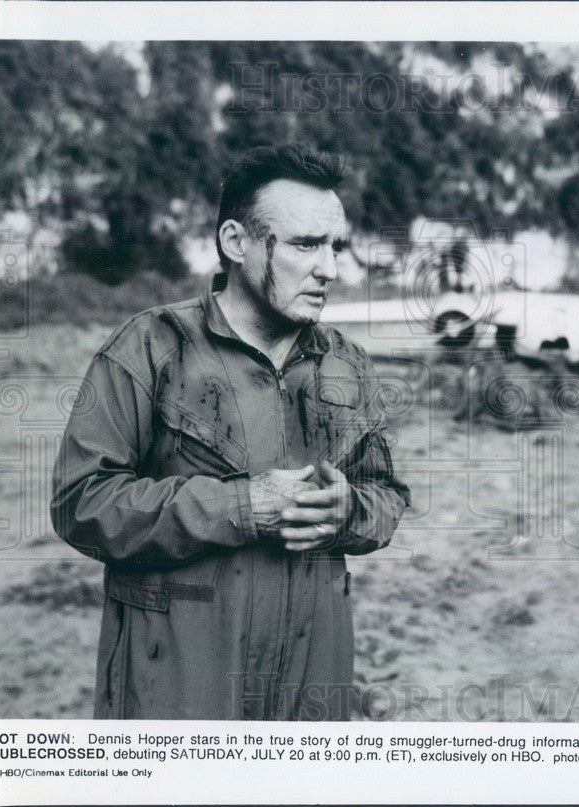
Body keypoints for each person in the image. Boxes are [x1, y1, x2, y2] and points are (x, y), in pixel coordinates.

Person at [51, 145, 410, 720]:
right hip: (179, 688)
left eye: (334, 246)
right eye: (304, 244)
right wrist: (242, 505)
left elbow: (387, 498)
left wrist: (350, 512)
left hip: (310, 683)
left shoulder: (347, 365)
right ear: (236, 242)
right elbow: (81, 504)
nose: (330, 269)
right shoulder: (147, 349)